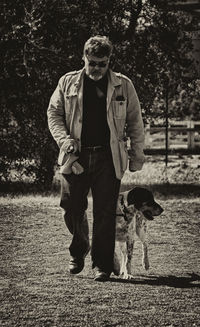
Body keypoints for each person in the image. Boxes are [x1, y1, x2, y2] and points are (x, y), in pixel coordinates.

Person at [47, 35, 145, 281]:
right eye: (92, 62)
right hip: (74, 156)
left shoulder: (124, 85)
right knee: (71, 206)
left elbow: (135, 122)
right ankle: (79, 249)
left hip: (109, 157)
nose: (97, 68)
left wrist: (137, 154)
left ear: (109, 60)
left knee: (104, 212)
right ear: (84, 58)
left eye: (102, 63)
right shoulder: (67, 82)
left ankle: (102, 265)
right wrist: (64, 141)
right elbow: (54, 114)